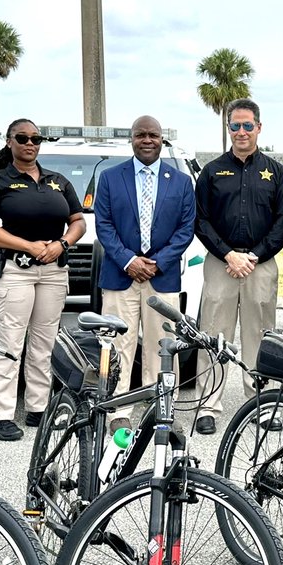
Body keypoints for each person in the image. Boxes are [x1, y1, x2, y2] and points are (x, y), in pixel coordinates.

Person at [0, 119, 86, 441]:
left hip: (53, 271)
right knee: (9, 344)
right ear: (10, 142)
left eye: (35, 138)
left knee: (44, 344)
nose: (30, 143)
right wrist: (27, 246)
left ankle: (38, 408)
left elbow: (77, 221)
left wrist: (62, 244)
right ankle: (1, 415)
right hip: (14, 271)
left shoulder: (58, 181)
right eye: (22, 138)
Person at [193, 98, 283, 434]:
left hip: (259, 264)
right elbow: (201, 220)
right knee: (214, 334)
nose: (241, 131)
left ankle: (262, 403)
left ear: (259, 127)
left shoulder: (276, 172)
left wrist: (254, 256)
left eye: (247, 125)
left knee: (260, 335)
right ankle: (208, 405)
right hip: (221, 263)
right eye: (234, 125)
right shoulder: (212, 171)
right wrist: (228, 254)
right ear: (228, 129)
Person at [94, 115, 196, 430]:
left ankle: (161, 407)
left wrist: (158, 262)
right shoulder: (111, 178)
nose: (147, 140)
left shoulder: (179, 181)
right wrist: (129, 260)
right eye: (141, 135)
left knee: (163, 344)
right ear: (132, 139)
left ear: (161, 139)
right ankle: (117, 411)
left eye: (153, 135)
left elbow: (186, 228)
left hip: (162, 276)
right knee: (116, 346)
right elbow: (104, 224)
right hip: (120, 275)